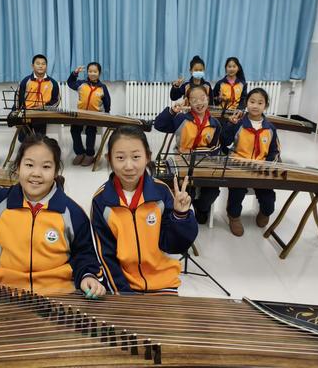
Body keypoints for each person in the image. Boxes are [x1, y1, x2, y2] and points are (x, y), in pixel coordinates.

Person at [0, 134, 106, 298]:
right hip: (10, 293)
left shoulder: (71, 212)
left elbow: (84, 253)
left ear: (56, 171)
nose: (36, 173)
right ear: (18, 167)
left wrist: (87, 276)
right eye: (29, 165)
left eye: (46, 167)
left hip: (59, 294)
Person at [91, 125, 198, 294]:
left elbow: (175, 245)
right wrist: (123, 292)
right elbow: (105, 255)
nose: (128, 166)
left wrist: (181, 215)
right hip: (123, 286)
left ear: (148, 157)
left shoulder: (161, 193)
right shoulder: (101, 201)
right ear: (109, 159)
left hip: (163, 283)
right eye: (120, 158)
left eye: (136, 157)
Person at [155, 84, 221, 224]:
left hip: (202, 163)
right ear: (188, 102)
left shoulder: (215, 123)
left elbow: (215, 148)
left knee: (213, 190)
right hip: (182, 162)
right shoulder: (181, 119)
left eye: (202, 98)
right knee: (186, 190)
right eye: (194, 100)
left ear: (208, 99)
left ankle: (201, 207)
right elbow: (159, 125)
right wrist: (172, 112)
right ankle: (183, 212)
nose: (199, 103)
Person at [221, 88, 280, 237]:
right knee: (237, 192)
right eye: (252, 101)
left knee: (268, 199)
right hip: (238, 166)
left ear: (265, 106)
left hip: (260, 168)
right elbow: (224, 143)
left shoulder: (270, 128)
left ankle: (265, 212)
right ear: (246, 103)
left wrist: (266, 166)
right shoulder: (238, 123)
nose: (255, 105)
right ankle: (233, 217)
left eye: (260, 102)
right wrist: (229, 125)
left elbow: (275, 151)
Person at [67, 62, 111, 166]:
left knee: (90, 131)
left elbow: (107, 102)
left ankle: (89, 154)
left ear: (99, 73)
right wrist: (74, 73)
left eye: (95, 71)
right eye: (90, 71)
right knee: (74, 129)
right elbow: (70, 83)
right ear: (87, 72)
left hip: (94, 115)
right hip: (80, 114)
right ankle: (80, 153)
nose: (92, 73)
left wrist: (107, 113)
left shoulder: (102, 87)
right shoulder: (81, 84)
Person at [15, 54, 60, 138]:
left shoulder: (53, 83)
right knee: (23, 138)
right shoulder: (25, 81)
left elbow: (56, 100)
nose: (41, 66)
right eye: (38, 63)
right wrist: (19, 112)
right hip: (26, 112)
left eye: (43, 64)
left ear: (46, 66)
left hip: (42, 113)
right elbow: (18, 98)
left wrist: (45, 107)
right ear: (32, 66)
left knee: (40, 137)